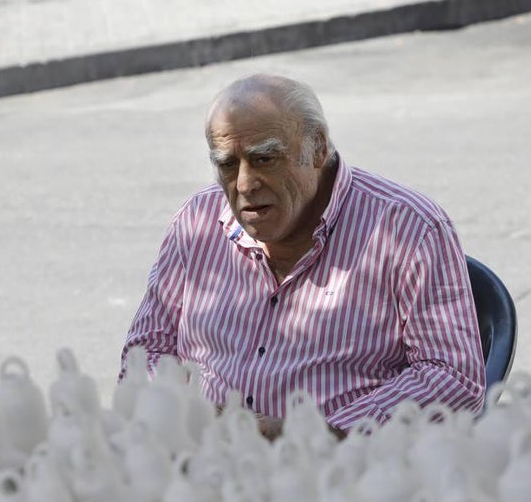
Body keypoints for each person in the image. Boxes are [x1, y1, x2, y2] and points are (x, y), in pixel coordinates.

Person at [119, 73, 485, 438]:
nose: (245, 184)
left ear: (318, 149)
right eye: (228, 164)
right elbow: (144, 352)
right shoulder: (197, 221)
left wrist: (317, 434)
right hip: (209, 457)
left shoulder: (408, 227)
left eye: (265, 158)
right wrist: (182, 408)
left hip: (340, 471)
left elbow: (452, 377)